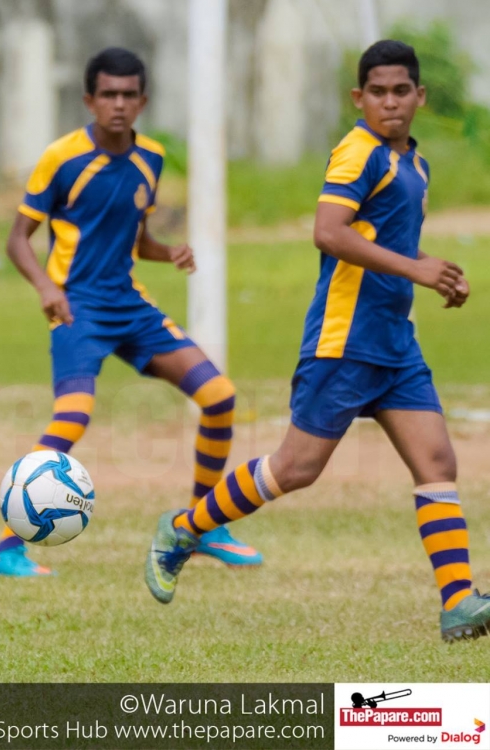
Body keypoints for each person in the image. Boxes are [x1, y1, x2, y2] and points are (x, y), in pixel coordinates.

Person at [144, 40, 490, 642]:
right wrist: (416, 270)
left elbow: (386, 240)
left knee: (437, 461)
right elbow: (328, 232)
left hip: (394, 345)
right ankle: (183, 529)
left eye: (400, 91)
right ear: (359, 98)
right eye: (377, 92)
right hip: (344, 341)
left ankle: (458, 601)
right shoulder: (357, 153)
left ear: (419, 96)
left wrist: (435, 272)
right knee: (296, 468)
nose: (389, 102)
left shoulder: (415, 165)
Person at [0, 47, 260, 578]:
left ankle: (200, 528)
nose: (118, 104)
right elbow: (18, 239)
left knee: (220, 398)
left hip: (130, 306)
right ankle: (6, 548)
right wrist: (45, 286)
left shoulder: (150, 158)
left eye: (128, 95)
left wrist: (167, 252)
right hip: (76, 308)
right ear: (89, 100)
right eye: (108, 94)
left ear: (143, 101)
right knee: (73, 416)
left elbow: (134, 236)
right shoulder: (63, 158)